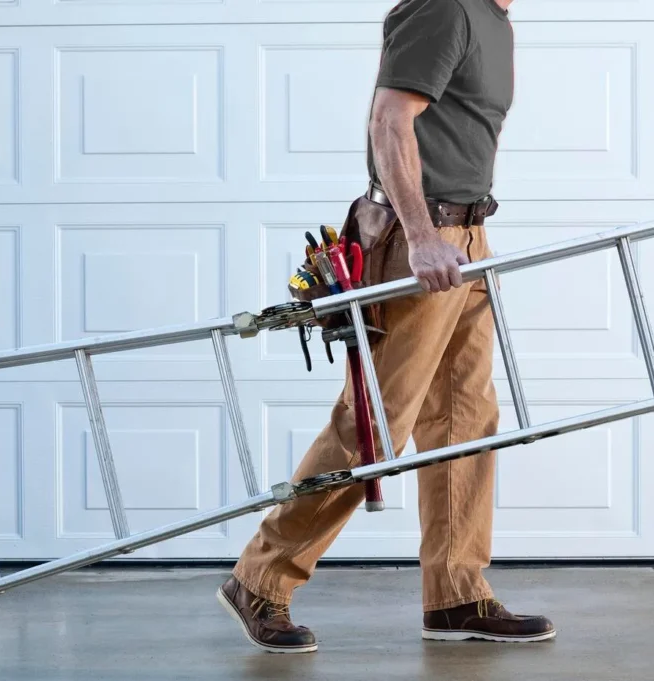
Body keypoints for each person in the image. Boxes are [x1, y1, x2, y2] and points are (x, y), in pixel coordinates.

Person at [216, 0, 556, 653]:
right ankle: (259, 578)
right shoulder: (445, 8)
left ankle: (456, 592)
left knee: (463, 418)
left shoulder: (494, 19)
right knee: (375, 421)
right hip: (418, 239)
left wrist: (459, 235)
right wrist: (424, 236)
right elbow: (389, 119)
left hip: (469, 237)